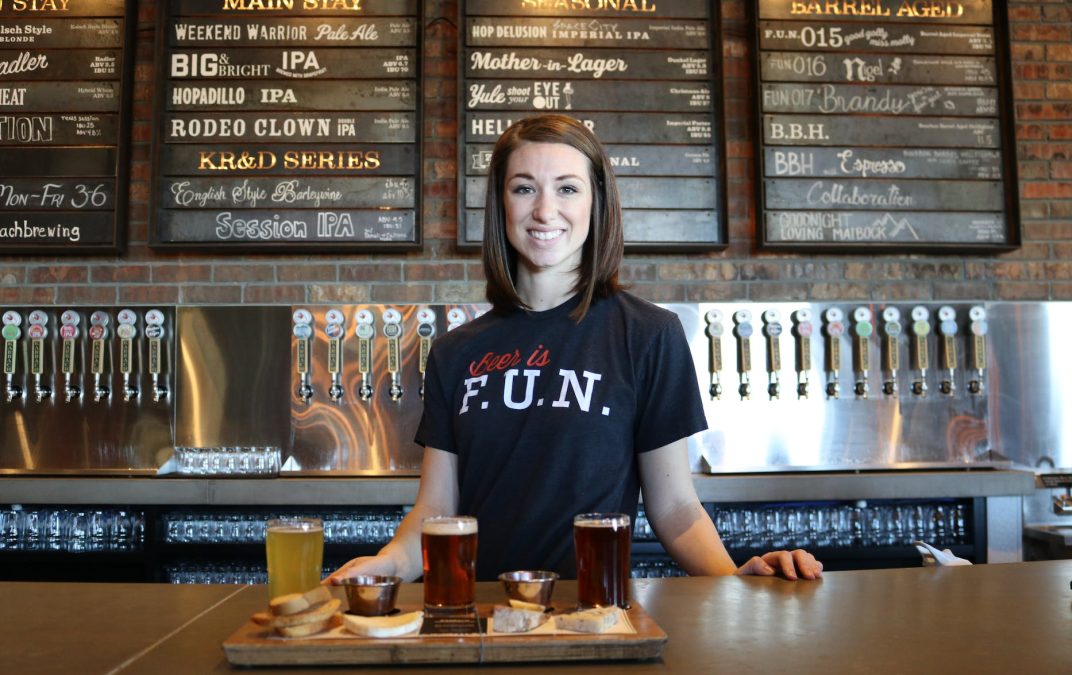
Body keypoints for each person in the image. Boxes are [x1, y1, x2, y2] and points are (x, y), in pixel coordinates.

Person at [327, 114, 822, 585]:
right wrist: (387, 563)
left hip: (595, 613)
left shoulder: (649, 335)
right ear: (502, 204)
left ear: (595, 202)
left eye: (567, 188)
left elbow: (675, 507)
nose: (545, 210)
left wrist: (734, 579)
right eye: (524, 188)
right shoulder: (456, 352)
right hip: (482, 617)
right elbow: (436, 509)